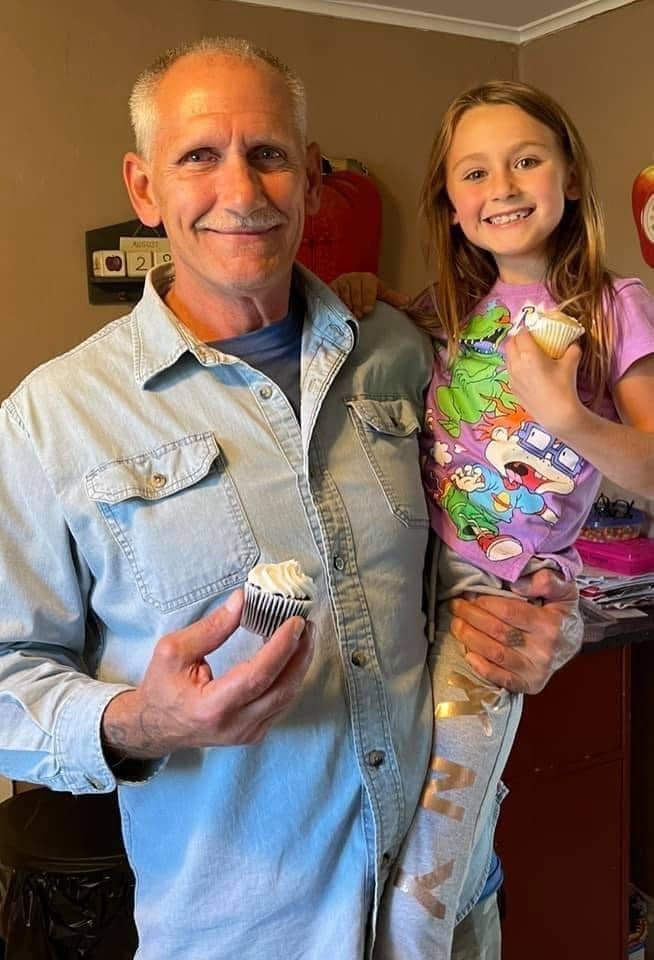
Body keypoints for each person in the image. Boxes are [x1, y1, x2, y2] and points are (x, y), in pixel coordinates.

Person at [0, 45, 581, 960]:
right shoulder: (52, 420)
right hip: (246, 938)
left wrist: (550, 624)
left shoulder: (401, 351)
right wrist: (142, 722)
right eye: (199, 156)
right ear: (144, 187)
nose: (241, 190)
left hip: (449, 908)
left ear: (311, 181)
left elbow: (488, 541)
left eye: (268, 154)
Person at [333, 79, 654, 960]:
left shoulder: (615, 306)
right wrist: (369, 290)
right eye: (474, 172)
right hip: (410, 577)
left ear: (570, 177)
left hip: (496, 600)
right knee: (392, 820)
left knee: (427, 875)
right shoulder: (454, 305)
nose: (501, 187)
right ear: (450, 201)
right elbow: (390, 321)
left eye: (526, 161)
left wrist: (570, 420)